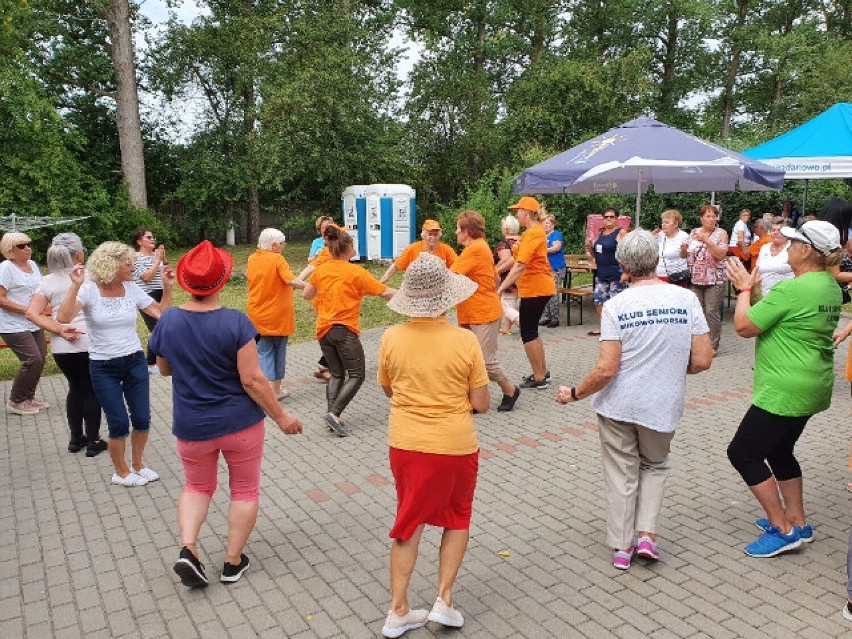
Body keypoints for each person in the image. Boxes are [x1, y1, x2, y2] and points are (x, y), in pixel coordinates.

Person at [148, 240, 303, 588]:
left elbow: (165, 369)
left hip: (191, 424)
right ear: (222, 281)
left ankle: (188, 549)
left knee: (197, 486)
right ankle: (232, 562)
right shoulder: (236, 323)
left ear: (186, 281)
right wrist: (281, 417)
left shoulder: (168, 320)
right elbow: (252, 379)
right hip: (240, 424)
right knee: (245, 489)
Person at [556, 230, 712, 570]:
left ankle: (621, 547)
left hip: (618, 407)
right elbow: (702, 360)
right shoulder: (686, 300)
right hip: (662, 404)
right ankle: (647, 536)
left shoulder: (615, 306)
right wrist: (667, 369)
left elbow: (606, 369)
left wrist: (575, 393)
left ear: (623, 266)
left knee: (621, 473)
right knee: (655, 466)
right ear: (656, 260)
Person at [377, 252, 488, 638]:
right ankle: (444, 600)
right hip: (455, 445)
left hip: (405, 443)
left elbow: (389, 388)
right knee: (456, 517)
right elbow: (481, 403)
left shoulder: (390, 337)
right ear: (447, 297)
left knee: (408, 520)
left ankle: (399, 609)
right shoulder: (466, 341)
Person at [725, 220, 843, 558]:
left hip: (784, 389)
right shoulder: (828, 286)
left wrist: (745, 290)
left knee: (743, 452)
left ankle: (783, 528)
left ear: (807, 251)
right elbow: (781, 317)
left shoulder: (793, 289)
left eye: (792, 243)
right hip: (812, 385)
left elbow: (745, 326)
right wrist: (757, 293)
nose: (787, 247)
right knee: (778, 451)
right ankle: (799, 521)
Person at [58, 241, 174, 487]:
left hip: (134, 361)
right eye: (128, 263)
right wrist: (74, 286)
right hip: (103, 366)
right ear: (110, 265)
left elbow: (161, 313)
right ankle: (120, 471)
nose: (133, 267)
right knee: (119, 422)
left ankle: (138, 465)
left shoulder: (131, 288)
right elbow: (64, 317)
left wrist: (167, 287)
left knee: (142, 418)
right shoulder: (89, 290)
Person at [303, 226, 395, 436]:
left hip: (323, 330)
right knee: (356, 374)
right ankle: (334, 414)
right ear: (347, 248)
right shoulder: (356, 273)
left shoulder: (321, 270)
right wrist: (409, 296)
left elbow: (307, 295)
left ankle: (331, 416)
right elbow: (384, 292)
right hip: (343, 329)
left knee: (336, 373)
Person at [25, 233, 106, 456]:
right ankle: (93, 441)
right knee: (90, 390)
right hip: (89, 343)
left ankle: (75, 439)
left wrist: (59, 329)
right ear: (79, 254)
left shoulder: (47, 281)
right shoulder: (91, 276)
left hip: (62, 347)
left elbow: (31, 313)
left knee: (75, 388)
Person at [452, 210, 520, 412]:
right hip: (472, 311)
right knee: (468, 360)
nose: (455, 231)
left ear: (466, 231)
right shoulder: (479, 248)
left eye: (458, 228)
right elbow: (495, 277)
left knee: (484, 361)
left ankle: (510, 390)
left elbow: (451, 275)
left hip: (483, 313)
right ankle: (474, 399)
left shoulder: (475, 250)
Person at [497, 196, 555, 389]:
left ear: (527, 212)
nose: (516, 214)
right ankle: (542, 372)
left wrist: (502, 287)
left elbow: (521, 265)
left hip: (536, 288)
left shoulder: (533, 234)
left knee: (528, 332)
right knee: (531, 331)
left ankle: (539, 377)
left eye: (518, 211)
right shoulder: (531, 233)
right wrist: (496, 271)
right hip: (535, 288)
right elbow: (516, 259)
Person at [246, 228, 304, 400]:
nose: (283, 246)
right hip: (278, 315)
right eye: (282, 243)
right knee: (279, 352)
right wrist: (308, 286)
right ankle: (275, 390)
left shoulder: (251, 258)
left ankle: (268, 391)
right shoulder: (277, 259)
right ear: (273, 245)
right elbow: (290, 280)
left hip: (257, 313)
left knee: (263, 353)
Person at [0, 232, 49, 415]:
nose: (28, 248)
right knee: (32, 359)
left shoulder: (33, 265)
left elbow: (40, 290)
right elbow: (0, 299)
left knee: (41, 358)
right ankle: (15, 401)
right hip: (12, 324)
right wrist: (26, 310)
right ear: (10, 250)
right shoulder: (6, 268)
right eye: (22, 246)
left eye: (28, 244)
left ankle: (28, 397)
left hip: (33, 321)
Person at [687, 204, 728, 354]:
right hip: (696, 278)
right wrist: (684, 251)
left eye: (714, 216)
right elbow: (689, 256)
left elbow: (721, 255)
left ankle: (713, 345)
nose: (712, 219)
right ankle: (698, 343)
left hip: (715, 279)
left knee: (711, 311)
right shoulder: (693, 232)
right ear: (701, 218)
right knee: (697, 312)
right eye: (708, 216)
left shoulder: (721, 233)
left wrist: (707, 240)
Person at [585, 207, 628, 336]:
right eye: (606, 217)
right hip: (601, 274)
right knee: (599, 301)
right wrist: (589, 248)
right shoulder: (600, 233)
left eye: (611, 217)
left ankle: (618, 330)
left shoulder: (621, 232)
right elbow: (596, 254)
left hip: (617, 274)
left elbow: (627, 253)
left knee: (616, 303)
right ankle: (603, 327)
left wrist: (626, 272)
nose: (608, 219)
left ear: (616, 219)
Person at [132, 228, 167, 374]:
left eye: (153, 237)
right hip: (145, 295)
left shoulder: (155, 255)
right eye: (148, 237)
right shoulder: (135, 257)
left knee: (163, 326)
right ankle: (151, 364)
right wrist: (158, 260)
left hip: (161, 293)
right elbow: (146, 277)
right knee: (157, 328)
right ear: (139, 242)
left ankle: (157, 362)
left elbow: (164, 269)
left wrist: (162, 257)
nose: (153, 239)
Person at [379, 220, 456, 284]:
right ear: (424, 235)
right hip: (416, 289)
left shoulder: (446, 249)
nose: (433, 237)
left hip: (439, 289)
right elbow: (396, 266)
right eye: (430, 234)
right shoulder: (413, 248)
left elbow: (458, 265)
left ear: (439, 236)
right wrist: (382, 282)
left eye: (435, 234)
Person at [494, 215, 521, 334]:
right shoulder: (521, 241)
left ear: (506, 229)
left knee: (505, 307)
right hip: (521, 277)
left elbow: (508, 260)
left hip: (509, 279)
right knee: (511, 303)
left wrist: (496, 271)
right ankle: (507, 327)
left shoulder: (505, 244)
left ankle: (524, 325)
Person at [539, 214, 566, 328]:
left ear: (553, 224)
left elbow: (556, 248)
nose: (545, 226)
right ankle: (547, 316)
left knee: (553, 292)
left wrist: (542, 250)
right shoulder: (542, 236)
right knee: (545, 292)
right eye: (544, 224)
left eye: (548, 223)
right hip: (544, 269)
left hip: (556, 268)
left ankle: (555, 319)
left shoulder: (556, 235)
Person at [755, 217, 793, 298]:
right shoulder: (764, 248)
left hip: (786, 296)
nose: (775, 233)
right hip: (764, 296)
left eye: (779, 230)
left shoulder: (793, 248)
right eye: (773, 230)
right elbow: (757, 271)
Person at [654, 209, 690, 284]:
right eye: (663, 222)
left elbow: (685, 256)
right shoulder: (659, 235)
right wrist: (652, 239)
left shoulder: (684, 236)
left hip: (677, 277)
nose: (663, 224)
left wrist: (684, 250)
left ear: (676, 224)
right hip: (659, 275)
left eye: (666, 222)